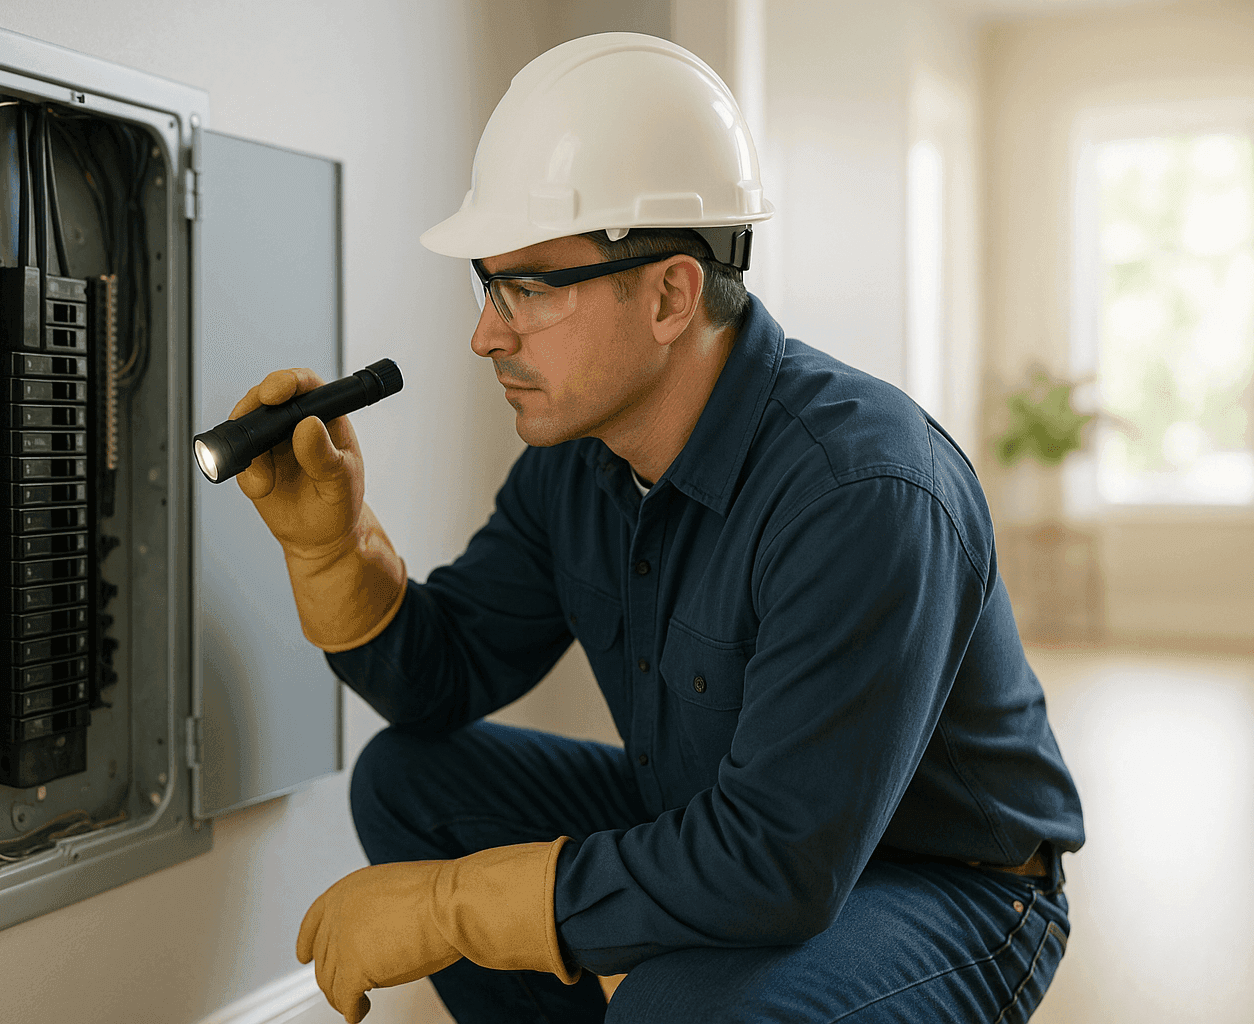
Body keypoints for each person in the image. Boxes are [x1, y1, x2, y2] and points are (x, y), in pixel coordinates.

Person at [226, 32, 1084, 1024]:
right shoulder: (578, 466)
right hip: (729, 814)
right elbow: (443, 678)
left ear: (672, 293)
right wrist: (329, 546)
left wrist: (453, 906)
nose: (486, 333)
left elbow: (778, 862)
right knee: (413, 783)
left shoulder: (861, 488)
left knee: (680, 1010)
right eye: (488, 284)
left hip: (949, 880)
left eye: (529, 289)